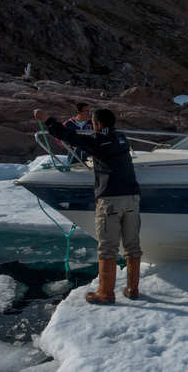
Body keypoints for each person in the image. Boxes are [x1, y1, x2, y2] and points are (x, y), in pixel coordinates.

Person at [33, 107, 142, 305]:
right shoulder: (122, 138)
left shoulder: (99, 141)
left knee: (107, 248)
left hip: (110, 200)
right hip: (132, 197)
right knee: (132, 246)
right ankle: (132, 289)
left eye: (93, 123)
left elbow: (68, 136)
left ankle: (105, 293)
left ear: (98, 124)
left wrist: (47, 119)